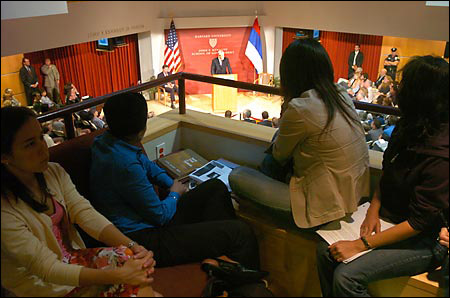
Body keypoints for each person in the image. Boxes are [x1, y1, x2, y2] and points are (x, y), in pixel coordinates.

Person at [316, 55, 449, 297]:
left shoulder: (441, 153)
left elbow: (420, 222)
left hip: (424, 240)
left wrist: (360, 244)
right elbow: (390, 171)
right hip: (389, 218)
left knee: (347, 278)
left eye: (404, 84)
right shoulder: (408, 125)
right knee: (325, 251)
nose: (398, 89)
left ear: (420, 95)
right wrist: (373, 208)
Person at [89, 92, 262, 272]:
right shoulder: (124, 165)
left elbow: (147, 165)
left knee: (215, 188)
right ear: (142, 129)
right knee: (241, 233)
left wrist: (170, 182)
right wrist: (175, 193)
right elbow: (161, 216)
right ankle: (248, 282)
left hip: (148, 220)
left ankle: (223, 257)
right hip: (145, 238)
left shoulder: (105, 140)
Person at [1, 106, 158, 297]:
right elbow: (46, 268)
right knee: (135, 286)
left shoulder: (53, 172)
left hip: (72, 259)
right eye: (30, 144)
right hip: (41, 285)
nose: (43, 148)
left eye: (41, 137)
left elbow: (84, 212)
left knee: (133, 261)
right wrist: (118, 276)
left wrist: (133, 246)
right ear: (5, 157)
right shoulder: (5, 209)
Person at [258, 38, 370, 229]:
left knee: (246, 172)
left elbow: (279, 155)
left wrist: (285, 111)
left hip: (326, 203)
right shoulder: (340, 93)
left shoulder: (300, 107)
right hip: (355, 192)